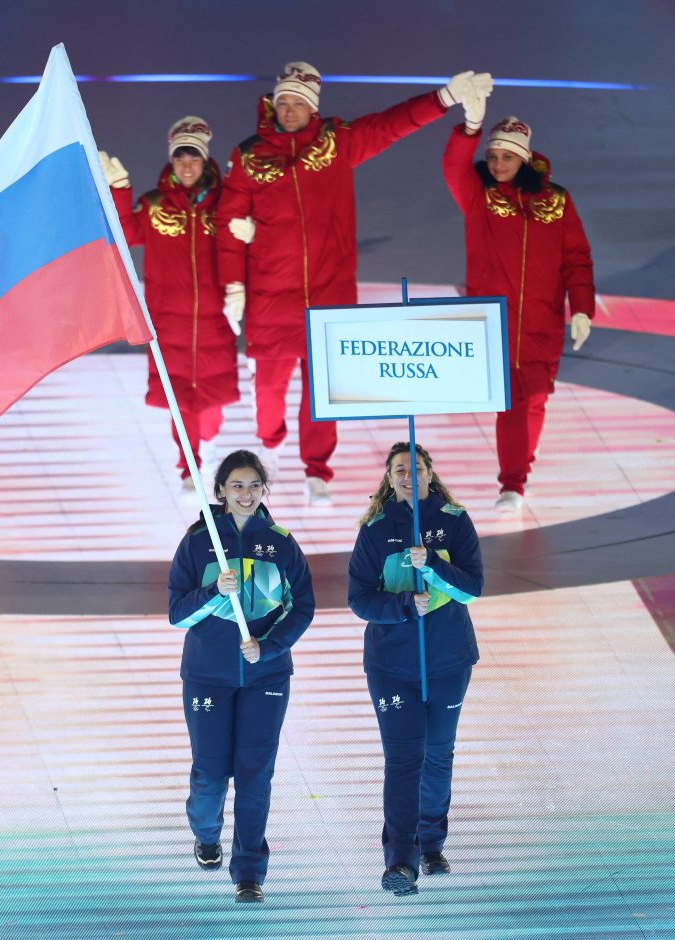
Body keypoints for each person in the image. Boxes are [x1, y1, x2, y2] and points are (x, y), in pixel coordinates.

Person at [216, 62, 492, 506]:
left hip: (330, 294)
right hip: (271, 295)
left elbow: (390, 125)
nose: (290, 110)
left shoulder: (336, 142)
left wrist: (443, 97)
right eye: (284, 102)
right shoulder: (249, 157)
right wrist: (234, 285)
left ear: (313, 108)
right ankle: (271, 443)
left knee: (322, 391)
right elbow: (229, 223)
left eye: (299, 103)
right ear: (273, 105)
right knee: (268, 391)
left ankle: (316, 470)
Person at [168, 449, 315, 903]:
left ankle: (249, 872)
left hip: (265, 677)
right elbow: (177, 614)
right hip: (207, 676)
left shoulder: (282, 543)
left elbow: (302, 608)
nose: (246, 494)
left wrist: (268, 647)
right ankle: (206, 834)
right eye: (237, 486)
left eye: (254, 486)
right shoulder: (198, 542)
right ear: (221, 492)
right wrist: (215, 591)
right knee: (210, 776)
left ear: (264, 490)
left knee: (255, 776)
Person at [443, 98, 595, 513]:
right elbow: (453, 167)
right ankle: (512, 483)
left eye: (506, 157)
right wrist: (469, 128)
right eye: (492, 156)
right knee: (510, 402)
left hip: (544, 320)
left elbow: (576, 258)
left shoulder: (557, 202)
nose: (497, 164)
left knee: (537, 396)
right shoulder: (479, 198)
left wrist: (582, 308)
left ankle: (522, 459)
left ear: (524, 158)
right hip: (494, 323)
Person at [347, 442, 482, 897]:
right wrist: (405, 604)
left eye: (416, 468)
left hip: (449, 661)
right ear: (389, 479)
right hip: (392, 666)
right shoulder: (375, 530)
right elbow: (359, 599)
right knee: (404, 759)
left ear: (430, 473)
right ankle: (401, 861)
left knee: (438, 754)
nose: (409, 476)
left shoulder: (454, 521)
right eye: (400, 470)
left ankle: (432, 844)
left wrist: (435, 565)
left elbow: (472, 588)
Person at [101, 118, 238, 493]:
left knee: (211, 407)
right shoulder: (154, 205)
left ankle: (206, 443)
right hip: (168, 323)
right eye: (180, 158)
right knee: (182, 402)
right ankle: (189, 466)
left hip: (216, 320)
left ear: (204, 161)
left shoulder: (226, 203)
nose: (187, 166)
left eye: (193, 158)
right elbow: (124, 234)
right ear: (172, 161)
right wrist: (119, 189)